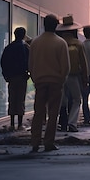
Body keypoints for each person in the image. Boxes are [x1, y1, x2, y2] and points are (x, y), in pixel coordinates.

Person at [29, 14, 70, 152]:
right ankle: (48, 142)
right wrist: (61, 79)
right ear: (56, 26)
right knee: (53, 114)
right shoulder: (60, 43)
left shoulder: (35, 42)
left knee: (38, 112)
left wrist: (35, 78)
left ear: (43, 25)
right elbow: (66, 66)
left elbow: (31, 64)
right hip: (55, 82)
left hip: (40, 81)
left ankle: (35, 142)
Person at [56, 15, 88, 133]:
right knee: (76, 99)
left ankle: (59, 122)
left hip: (59, 75)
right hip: (73, 75)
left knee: (62, 100)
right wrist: (85, 78)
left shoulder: (58, 42)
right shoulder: (78, 44)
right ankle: (72, 123)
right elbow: (83, 63)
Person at [0, 27, 30, 130]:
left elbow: (3, 62)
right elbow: (29, 61)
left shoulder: (9, 47)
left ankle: (12, 123)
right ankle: (20, 124)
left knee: (12, 99)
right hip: (22, 76)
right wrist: (29, 73)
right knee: (21, 99)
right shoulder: (25, 47)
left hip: (12, 77)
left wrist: (6, 75)